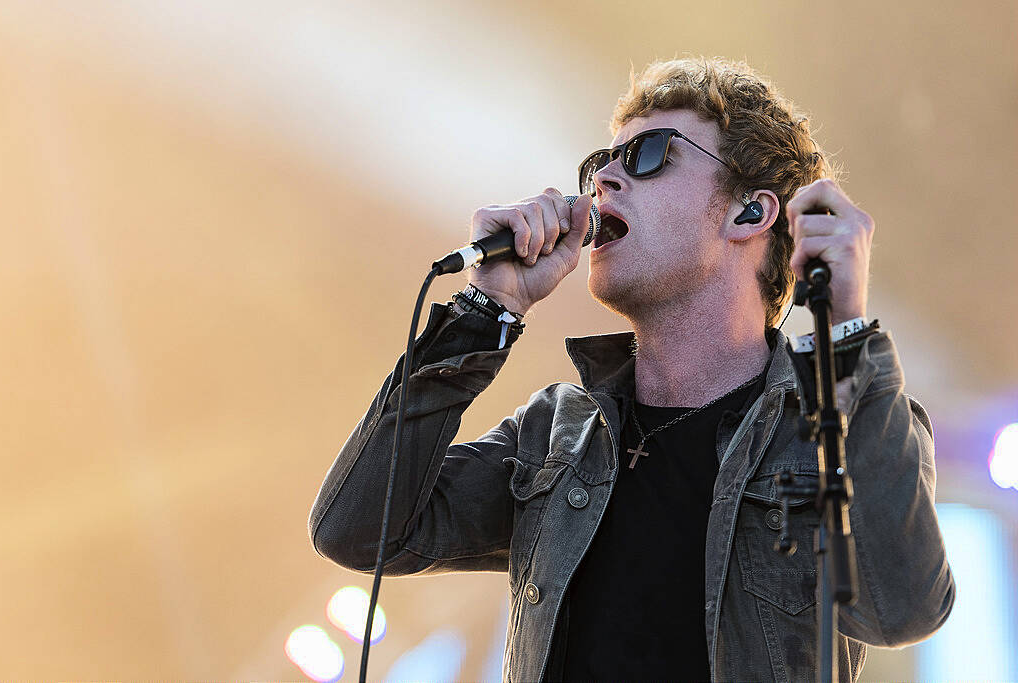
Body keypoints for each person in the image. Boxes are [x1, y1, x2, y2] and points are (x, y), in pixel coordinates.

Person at [308, 56, 954, 682]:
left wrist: (843, 333)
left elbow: (902, 607)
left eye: (647, 156)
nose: (604, 181)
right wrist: (486, 309)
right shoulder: (554, 434)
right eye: (600, 164)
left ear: (750, 213)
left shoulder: (834, 428)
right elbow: (358, 528)